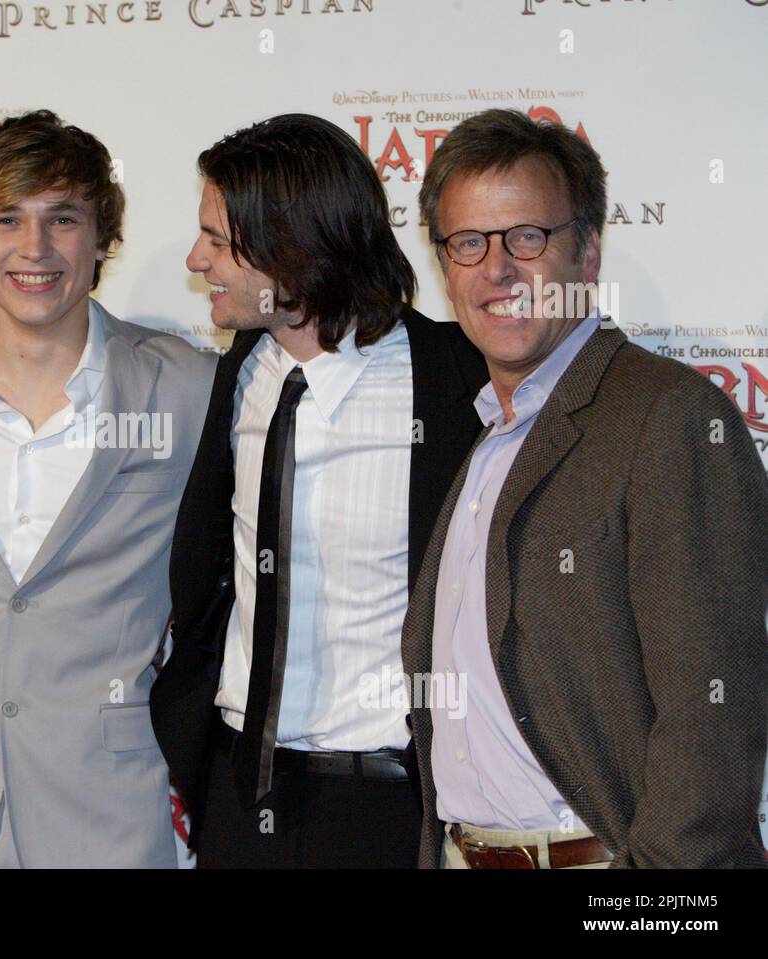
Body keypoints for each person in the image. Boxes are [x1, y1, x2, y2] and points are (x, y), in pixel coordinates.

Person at [405, 108, 768, 869]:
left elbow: (712, 714)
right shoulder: (485, 442)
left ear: (589, 252)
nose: (496, 269)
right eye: (468, 242)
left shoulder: (666, 416)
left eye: (527, 237)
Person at [0, 110, 214, 868]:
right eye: (6, 220)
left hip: (112, 807)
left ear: (102, 240)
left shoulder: (186, 389)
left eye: (62, 218)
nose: (34, 248)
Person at [150, 114, 488, 867]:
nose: (196, 258)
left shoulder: (457, 382)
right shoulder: (243, 371)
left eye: (218, 239)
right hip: (239, 795)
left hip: (387, 809)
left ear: (293, 249)